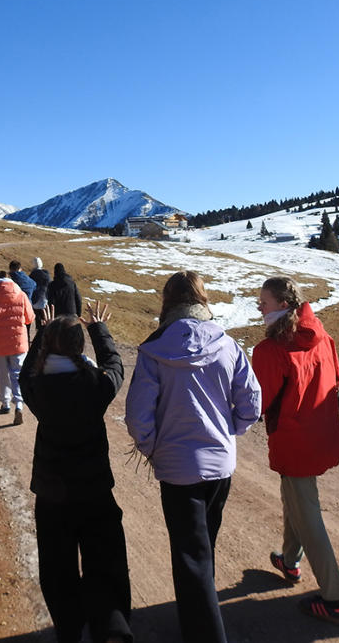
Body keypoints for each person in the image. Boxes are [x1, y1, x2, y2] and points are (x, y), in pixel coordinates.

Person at [125, 271, 261, 643]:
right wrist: (231, 432)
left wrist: (152, 448)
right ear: (202, 299)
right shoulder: (228, 345)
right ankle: (196, 619)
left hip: (177, 469)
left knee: (190, 558)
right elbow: (251, 402)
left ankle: (205, 632)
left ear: (167, 302)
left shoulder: (154, 350)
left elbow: (137, 416)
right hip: (221, 467)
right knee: (203, 549)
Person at [19, 302, 133, 643]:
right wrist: (99, 329)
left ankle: (69, 630)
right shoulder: (96, 383)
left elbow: (25, 373)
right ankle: (112, 627)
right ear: (79, 346)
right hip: (95, 489)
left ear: (48, 346)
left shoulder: (37, 386)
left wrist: (42, 332)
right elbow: (115, 366)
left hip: (51, 494)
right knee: (106, 560)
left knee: (57, 568)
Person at [252, 276, 339, 625]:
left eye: (263, 302)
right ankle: (290, 561)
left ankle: (335, 599)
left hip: (293, 442)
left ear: (281, 305)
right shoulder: (322, 337)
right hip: (323, 434)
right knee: (294, 497)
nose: (259, 307)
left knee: (308, 515)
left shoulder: (270, 350)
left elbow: (258, 402)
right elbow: (335, 380)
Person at [0, 271, 35, 424]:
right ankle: (19, 403)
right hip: (19, 342)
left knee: (2, 374)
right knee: (17, 374)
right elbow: (30, 318)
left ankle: (5, 403)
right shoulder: (21, 294)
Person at [30, 257, 52, 330]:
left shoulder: (32, 276)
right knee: (46, 319)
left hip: (35, 302)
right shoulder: (47, 276)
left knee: (38, 320)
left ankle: (38, 332)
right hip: (45, 301)